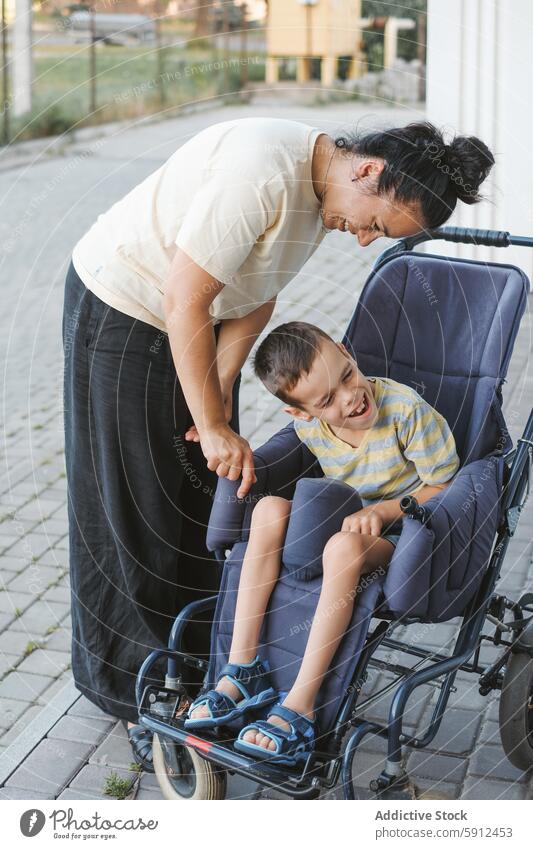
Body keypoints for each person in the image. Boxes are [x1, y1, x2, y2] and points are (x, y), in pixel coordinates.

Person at [62, 116, 493, 770]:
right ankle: (136, 695)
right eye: (374, 223)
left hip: (192, 328)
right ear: (368, 171)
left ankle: (212, 663)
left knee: (203, 495)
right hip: (129, 311)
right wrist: (209, 421)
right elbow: (183, 297)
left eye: (378, 237)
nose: (363, 240)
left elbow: (255, 297)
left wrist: (218, 387)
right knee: (138, 508)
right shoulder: (262, 168)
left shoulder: (324, 200)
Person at [185, 321, 460, 764]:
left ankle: (302, 704)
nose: (351, 396)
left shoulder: (406, 413)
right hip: (345, 519)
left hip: (401, 532)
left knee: (341, 549)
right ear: (301, 413)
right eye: (328, 399)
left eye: (347, 374)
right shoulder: (312, 429)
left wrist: (386, 510)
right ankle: (241, 670)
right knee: (268, 510)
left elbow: (447, 485)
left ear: (345, 351)